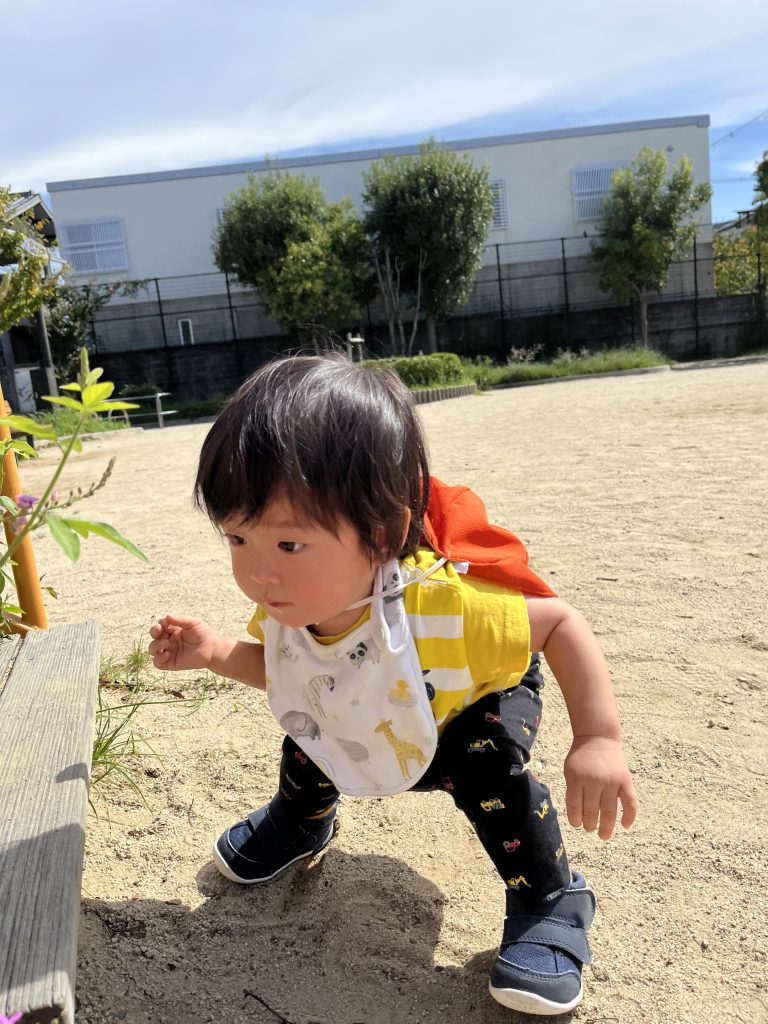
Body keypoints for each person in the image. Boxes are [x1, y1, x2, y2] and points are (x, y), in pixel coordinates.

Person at [149, 354, 637, 1016]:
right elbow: (288, 673)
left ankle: (550, 896)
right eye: (238, 539)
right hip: (375, 700)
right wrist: (213, 651)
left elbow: (558, 625)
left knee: (483, 764)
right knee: (310, 729)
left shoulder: (443, 607)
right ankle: (302, 822)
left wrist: (598, 737)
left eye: (288, 546)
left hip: (473, 693)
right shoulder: (290, 603)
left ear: (380, 535)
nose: (259, 573)